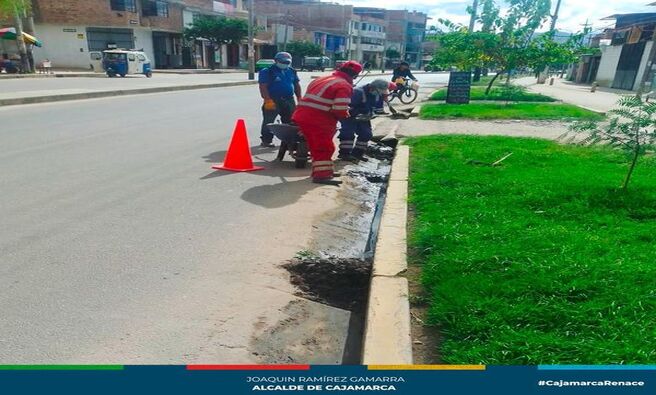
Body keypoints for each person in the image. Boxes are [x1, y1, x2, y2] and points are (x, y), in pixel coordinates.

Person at [292, 60, 363, 186]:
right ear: (355, 75)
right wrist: (347, 114)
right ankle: (322, 176)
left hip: (302, 116)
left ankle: (324, 171)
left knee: (315, 146)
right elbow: (339, 109)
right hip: (318, 120)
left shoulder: (321, 79)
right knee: (325, 147)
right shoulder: (344, 86)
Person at [338, 79, 389, 162]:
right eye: (379, 91)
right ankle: (344, 154)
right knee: (348, 134)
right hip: (349, 117)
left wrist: (371, 113)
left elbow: (375, 107)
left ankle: (357, 154)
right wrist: (358, 112)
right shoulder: (357, 92)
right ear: (373, 87)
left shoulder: (376, 94)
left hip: (363, 118)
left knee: (366, 134)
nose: (380, 93)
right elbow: (348, 106)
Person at [258, 52, 302, 147]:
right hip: (273, 100)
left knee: (291, 121)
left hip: (289, 100)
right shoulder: (267, 71)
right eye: (283, 62)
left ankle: (288, 141)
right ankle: (266, 140)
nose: (285, 64)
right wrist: (267, 100)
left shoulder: (291, 71)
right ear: (276, 61)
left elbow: (296, 85)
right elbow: (263, 87)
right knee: (269, 121)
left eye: (287, 62)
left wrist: (299, 97)